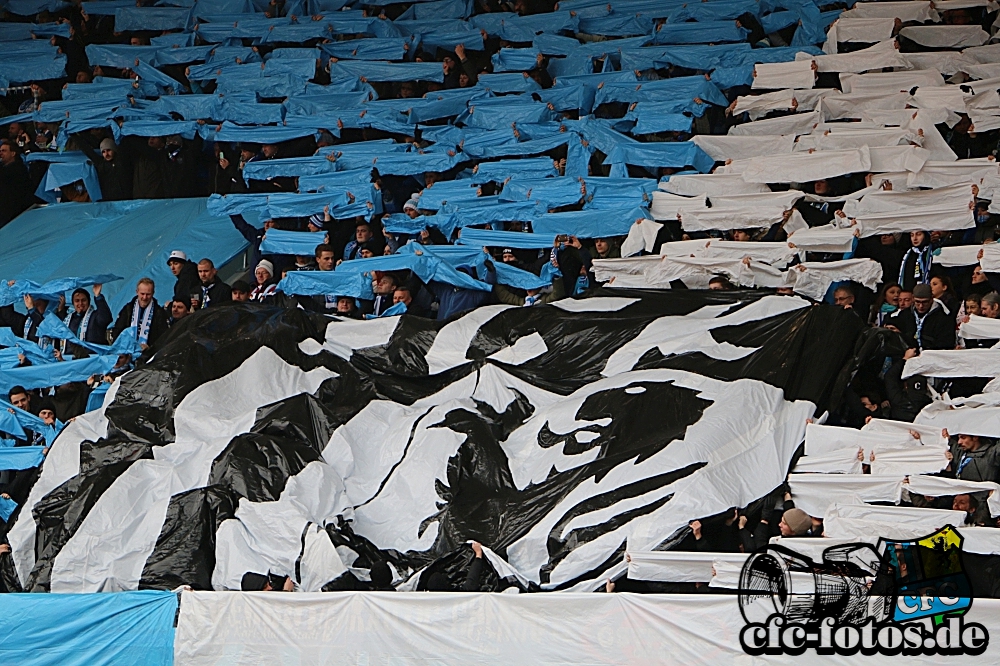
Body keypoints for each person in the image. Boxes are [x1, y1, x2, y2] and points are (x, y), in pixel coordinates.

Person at [884, 283, 955, 352]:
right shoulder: (905, 314)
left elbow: (946, 344)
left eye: (925, 302)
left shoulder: (944, 317)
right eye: (917, 302)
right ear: (913, 298)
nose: (921, 306)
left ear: (931, 299)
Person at [112, 277, 169, 350]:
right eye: (142, 294)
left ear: (153, 293)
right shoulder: (128, 309)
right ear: (137, 292)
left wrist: (150, 347)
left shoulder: (159, 313)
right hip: (127, 352)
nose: (144, 297)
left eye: (148, 294)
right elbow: (118, 331)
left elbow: (164, 337)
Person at [56, 284, 112, 348]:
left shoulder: (95, 316)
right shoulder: (68, 319)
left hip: (92, 356)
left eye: (83, 300)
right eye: (77, 301)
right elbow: (58, 327)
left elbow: (106, 318)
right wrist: (60, 310)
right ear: (73, 303)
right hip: (69, 357)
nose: (80, 303)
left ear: (89, 301)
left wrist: (98, 296)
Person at [0, 140, 32, 228]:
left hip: (13, 213)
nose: (1, 153)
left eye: (4, 151)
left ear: (13, 153)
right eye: (0, 151)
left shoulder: (18, 169)